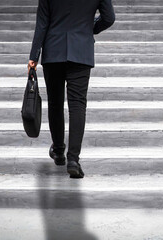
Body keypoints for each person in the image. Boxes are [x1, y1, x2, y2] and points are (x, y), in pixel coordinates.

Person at [27, 0, 115, 178]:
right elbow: (109, 18)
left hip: (53, 50)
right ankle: (73, 159)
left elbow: (42, 24)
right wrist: (89, 28)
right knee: (77, 104)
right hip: (81, 50)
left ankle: (59, 151)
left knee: (55, 103)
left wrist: (33, 57)